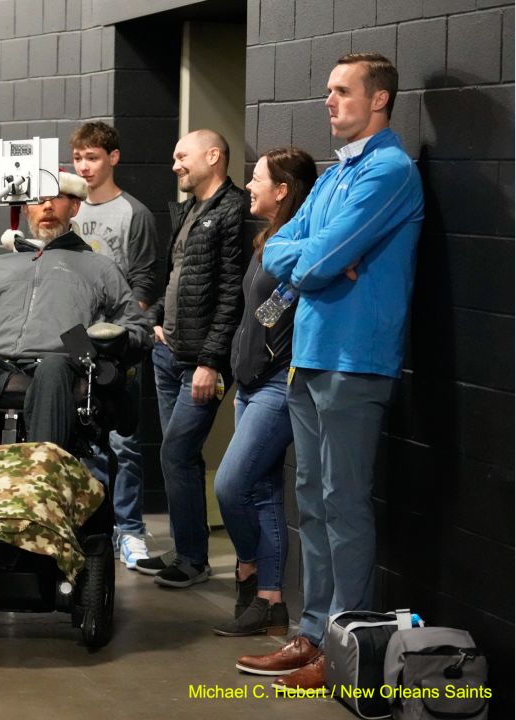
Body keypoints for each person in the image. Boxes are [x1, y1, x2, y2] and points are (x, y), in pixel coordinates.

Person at [235, 52, 424, 688]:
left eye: (343, 92)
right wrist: (311, 257)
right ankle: (313, 633)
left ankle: (346, 652)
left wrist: (314, 259)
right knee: (311, 503)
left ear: (380, 101)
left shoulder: (390, 171)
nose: (330, 101)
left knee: (343, 504)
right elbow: (281, 248)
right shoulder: (336, 176)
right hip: (308, 356)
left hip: (356, 359)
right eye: (328, 91)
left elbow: (314, 262)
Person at [0, 172, 151, 453]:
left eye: (57, 197)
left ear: (75, 206)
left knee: (52, 367)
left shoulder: (98, 267)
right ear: (27, 208)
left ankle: (45, 481)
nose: (48, 206)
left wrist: (111, 342)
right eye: (38, 199)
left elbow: (138, 328)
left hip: (60, 365)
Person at [133, 129, 247, 589]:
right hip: (170, 353)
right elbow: (176, 279)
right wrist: (155, 321)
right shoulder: (189, 210)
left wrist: (211, 361)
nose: (175, 165)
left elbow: (231, 296)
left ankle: (194, 560)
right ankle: (186, 551)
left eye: (183, 156)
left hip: (200, 362)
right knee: (179, 457)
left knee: (177, 452)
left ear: (213, 156)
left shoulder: (233, 210)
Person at [210, 147, 317, 637]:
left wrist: (262, 361)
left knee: (230, 486)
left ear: (283, 190)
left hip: (278, 385)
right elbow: (262, 313)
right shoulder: (268, 239)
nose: (247, 186)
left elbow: (283, 307)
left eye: (256, 180)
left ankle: (249, 569)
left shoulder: (299, 244)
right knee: (264, 492)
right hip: (252, 385)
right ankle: (270, 603)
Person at [68, 121, 161, 570]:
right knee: (81, 436)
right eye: (79, 158)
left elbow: (144, 281)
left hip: (116, 341)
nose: (85, 167)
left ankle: (130, 531)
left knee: (123, 440)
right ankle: (89, 529)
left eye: (93, 158)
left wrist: (122, 332)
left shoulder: (132, 213)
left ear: (113, 159)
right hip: (72, 339)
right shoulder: (66, 208)